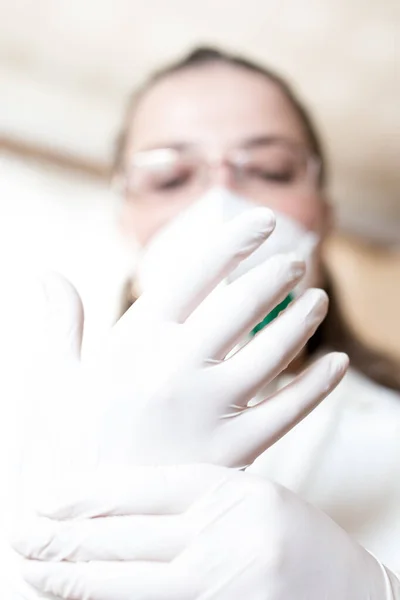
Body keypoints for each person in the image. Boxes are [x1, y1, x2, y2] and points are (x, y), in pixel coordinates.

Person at [12, 46, 400, 598]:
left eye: (269, 169)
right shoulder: (31, 434)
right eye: (169, 178)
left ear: (323, 213)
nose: (221, 200)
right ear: (127, 219)